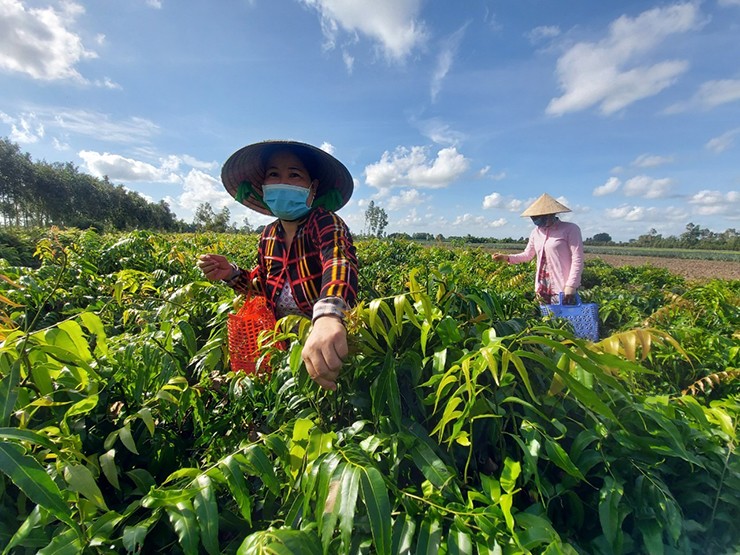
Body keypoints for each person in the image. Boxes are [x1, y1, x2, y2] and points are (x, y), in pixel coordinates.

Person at [197, 140, 358, 391]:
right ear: (263, 187)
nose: (282, 181)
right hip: (282, 340)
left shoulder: (325, 222)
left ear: (312, 188)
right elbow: (262, 285)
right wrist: (231, 274)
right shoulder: (268, 235)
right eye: (274, 174)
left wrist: (328, 316)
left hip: (322, 336)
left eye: (294, 174)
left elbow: (338, 260)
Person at [492, 193, 583, 305]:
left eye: (538, 216)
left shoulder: (570, 229)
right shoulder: (536, 232)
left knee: (564, 320)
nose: (535, 220)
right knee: (545, 320)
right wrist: (506, 258)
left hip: (562, 287)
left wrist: (571, 285)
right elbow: (527, 255)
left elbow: (577, 258)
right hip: (542, 287)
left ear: (550, 214)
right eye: (533, 217)